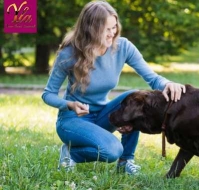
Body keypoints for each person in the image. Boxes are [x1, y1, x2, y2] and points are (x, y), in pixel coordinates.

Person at [42, 0, 185, 174]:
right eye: (106, 30)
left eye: (114, 27)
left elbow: (152, 77)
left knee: (135, 98)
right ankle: (70, 153)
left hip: (103, 115)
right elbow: (48, 94)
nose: (112, 34)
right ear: (91, 30)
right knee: (111, 150)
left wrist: (167, 84)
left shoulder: (122, 46)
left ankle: (125, 162)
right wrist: (69, 105)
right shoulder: (69, 54)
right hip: (73, 120)